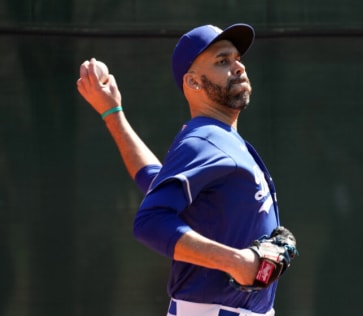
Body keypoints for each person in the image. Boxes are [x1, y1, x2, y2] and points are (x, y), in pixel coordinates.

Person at [77, 23, 283, 316]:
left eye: (238, 58)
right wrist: (237, 261)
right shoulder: (206, 139)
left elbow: (154, 180)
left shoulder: (219, 138)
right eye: (222, 61)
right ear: (193, 83)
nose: (238, 67)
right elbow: (151, 220)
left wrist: (113, 113)